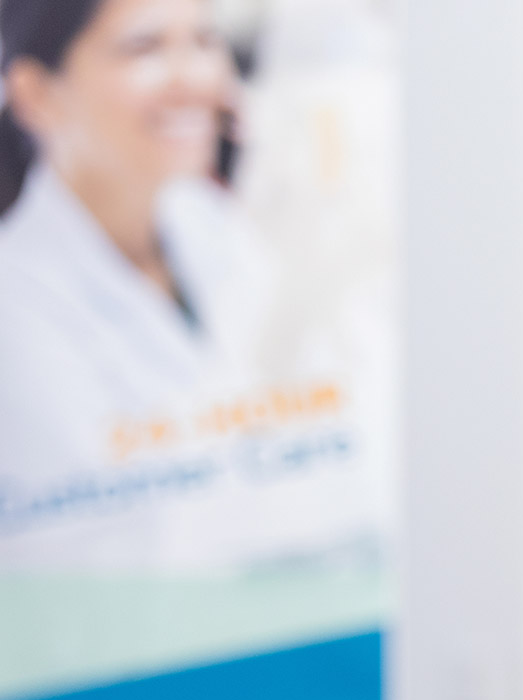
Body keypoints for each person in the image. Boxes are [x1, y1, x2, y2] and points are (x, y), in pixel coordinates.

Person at [0, 0, 371, 570]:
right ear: (35, 94)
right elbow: (115, 544)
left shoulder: (214, 228)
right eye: (144, 49)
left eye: (203, 42)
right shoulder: (17, 305)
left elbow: (335, 427)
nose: (196, 78)